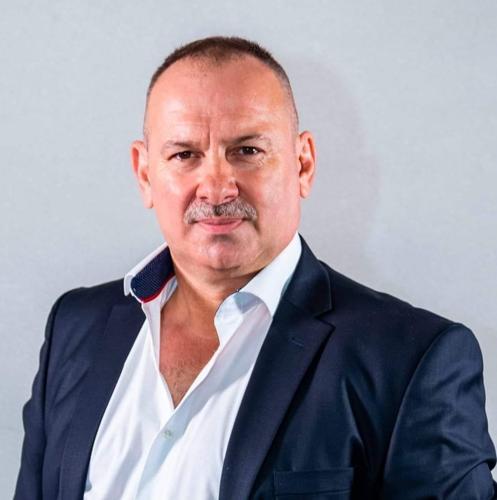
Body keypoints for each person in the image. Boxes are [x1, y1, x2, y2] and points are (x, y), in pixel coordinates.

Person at [15, 36, 496, 500]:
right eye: (185, 155)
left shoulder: (410, 362)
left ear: (303, 164)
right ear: (144, 174)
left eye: (247, 151)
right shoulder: (74, 329)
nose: (216, 187)